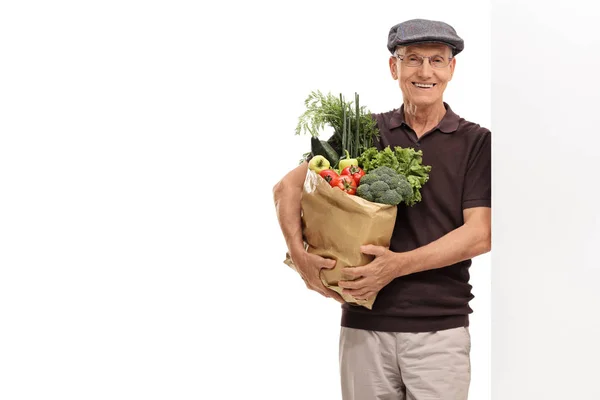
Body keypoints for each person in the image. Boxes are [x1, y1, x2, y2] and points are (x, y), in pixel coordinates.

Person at [273, 18, 491, 400]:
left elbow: (481, 233)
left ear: (452, 69)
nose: (426, 72)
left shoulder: (476, 142)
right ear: (394, 67)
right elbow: (287, 187)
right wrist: (299, 255)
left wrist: (396, 266)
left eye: (437, 61)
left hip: (439, 332)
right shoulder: (364, 131)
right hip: (363, 326)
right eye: (413, 59)